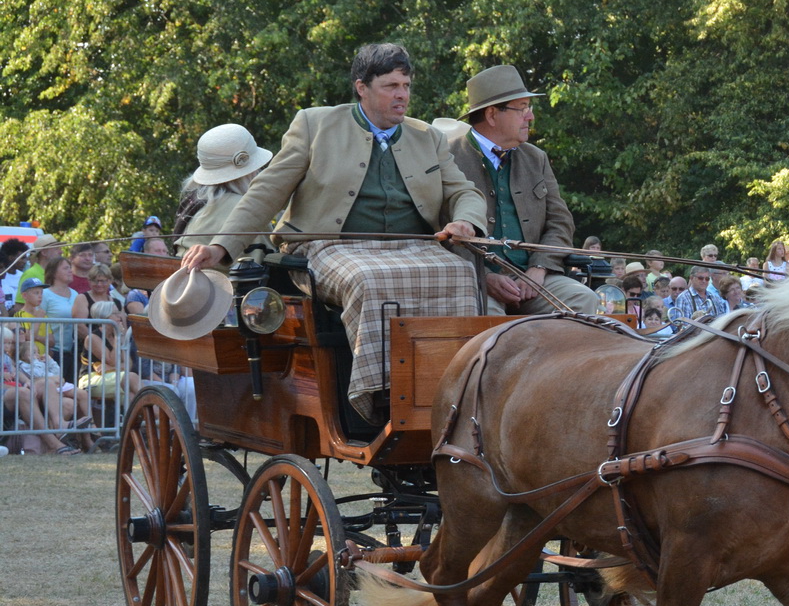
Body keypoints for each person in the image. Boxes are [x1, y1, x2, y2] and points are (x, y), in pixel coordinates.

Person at [181, 43, 486, 426]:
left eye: (406, 85)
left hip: (413, 247)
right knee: (368, 280)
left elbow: (464, 192)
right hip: (325, 246)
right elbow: (266, 191)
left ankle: (459, 391)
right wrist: (219, 246)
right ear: (362, 87)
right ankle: (379, 396)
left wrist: (465, 222)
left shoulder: (428, 137)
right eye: (392, 85)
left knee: (459, 271)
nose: (402, 95)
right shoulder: (314, 124)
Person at [445, 65, 600, 316]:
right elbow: (435, 232)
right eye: (522, 108)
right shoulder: (447, 157)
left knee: (583, 299)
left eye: (530, 107)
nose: (530, 117)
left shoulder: (536, 158)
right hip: (474, 283)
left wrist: (538, 269)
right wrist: (485, 277)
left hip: (534, 281)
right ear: (493, 115)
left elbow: (560, 222)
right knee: (487, 320)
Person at [173, 124, 276, 261]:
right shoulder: (248, 209)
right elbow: (268, 263)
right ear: (250, 171)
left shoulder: (193, 204)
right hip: (224, 282)